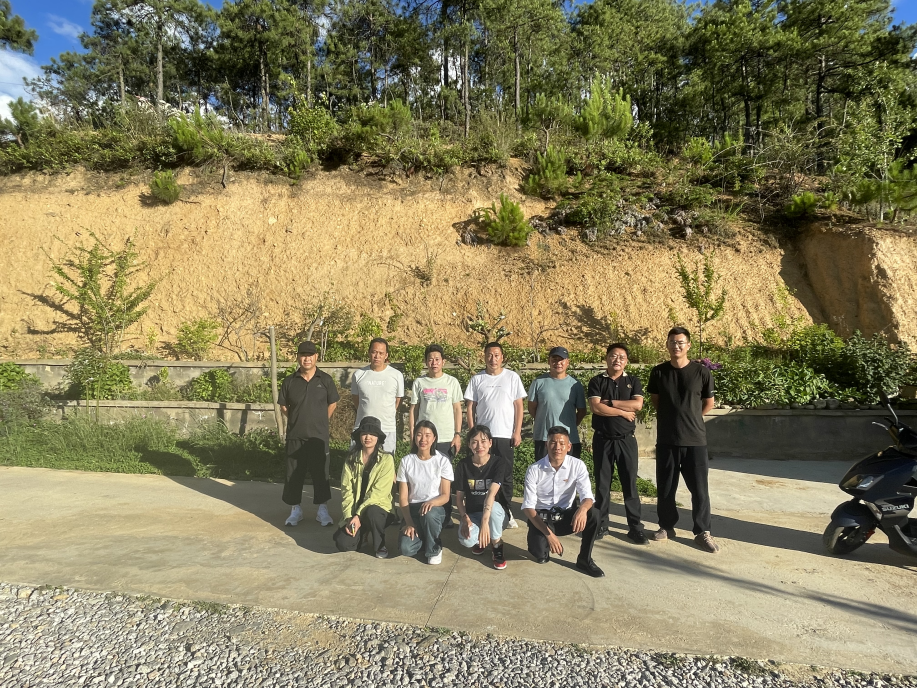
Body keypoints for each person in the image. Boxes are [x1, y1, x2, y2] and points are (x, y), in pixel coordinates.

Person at [647, 327, 719, 553]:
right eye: (672, 342)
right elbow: (656, 400)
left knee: (699, 490)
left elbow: (709, 403)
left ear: (688, 345)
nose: (676, 346)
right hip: (667, 440)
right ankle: (667, 527)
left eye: (680, 342)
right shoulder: (658, 372)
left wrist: (692, 419)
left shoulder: (701, 372)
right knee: (666, 487)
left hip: (695, 441)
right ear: (667, 345)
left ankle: (702, 531)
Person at [521, 426, 604, 577]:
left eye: (562, 443)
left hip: (566, 516)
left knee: (594, 514)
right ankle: (541, 543)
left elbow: (588, 496)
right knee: (540, 556)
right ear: (546, 444)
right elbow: (528, 508)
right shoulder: (534, 469)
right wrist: (549, 535)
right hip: (542, 518)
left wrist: (582, 510)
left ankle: (585, 559)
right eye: (553, 442)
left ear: (569, 446)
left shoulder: (577, 465)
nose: (557, 447)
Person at [587, 343, 648, 545]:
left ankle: (635, 528)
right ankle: (601, 525)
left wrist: (611, 403)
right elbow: (596, 408)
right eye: (613, 356)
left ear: (626, 361)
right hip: (603, 440)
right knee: (602, 485)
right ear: (606, 358)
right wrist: (622, 411)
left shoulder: (633, 381)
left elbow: (637, 404)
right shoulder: (597, 381)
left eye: (622, 357)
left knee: (630, 484)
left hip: (626, 441)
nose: (617, 360)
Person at [278, 341, 340, 528]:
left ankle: (322, 509)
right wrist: (297, 419)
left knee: (321, 473)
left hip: (318, 437)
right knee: (293, 474)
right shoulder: (289, 381)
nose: (307, 358)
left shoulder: (325, 380)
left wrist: (320, 420)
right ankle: (295, 509)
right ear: (298, 357)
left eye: (310, 355)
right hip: (295, 436)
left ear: (316, 357)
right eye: (303, 355)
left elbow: (332, 403)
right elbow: (283, 406)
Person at [464, 341, 526, 527]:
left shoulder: (512, 377)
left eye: (497, 355)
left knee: (505, 475)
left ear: (502, 357)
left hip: (505, 435)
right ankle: (480, 511)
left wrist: (517, 431)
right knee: (482, 475)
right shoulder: (477, 379)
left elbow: (519, 406)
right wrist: (473, 433)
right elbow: (470, 407)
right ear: (484, 357)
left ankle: (507, 512)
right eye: (489, 355)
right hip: (483, 438)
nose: (493, 359)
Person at [409, 343, 464, 528]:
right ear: (426, 362)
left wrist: (457, 434)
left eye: (437, 359)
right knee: (424, 475)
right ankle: (420, 513)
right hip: (424, 438)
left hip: (446, 437)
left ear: (443, 361)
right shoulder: (420, 382)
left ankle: (445, 516)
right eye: (430, 359)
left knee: (443, 478)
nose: (434, 362)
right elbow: (413, 410)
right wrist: (413, 434)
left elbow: (457, 409)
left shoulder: (452, 382)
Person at [334, 416, 396, 558]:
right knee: (343, 544)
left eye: (372, 434)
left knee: (373, 512)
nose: (368, 437)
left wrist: (358, 515)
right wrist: (349, 517)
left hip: (379, 510)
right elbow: (346, 491)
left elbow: (378, 494)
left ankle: (380, 544)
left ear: (378, 438)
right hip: (356, 512)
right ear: (359, 436)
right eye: (364, 433)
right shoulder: (351, 459)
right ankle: (363, 534)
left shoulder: (386, 460)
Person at [455, 425, 512, 570]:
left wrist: (485, 523)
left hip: (496, 515)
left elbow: (491, 493)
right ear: (469, 445)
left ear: (490, 443)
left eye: (483, 441)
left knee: (492, 509)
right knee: (466, 539)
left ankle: (496, 544)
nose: (479, 446)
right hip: (473, 514)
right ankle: (481, 540)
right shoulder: (463, 465)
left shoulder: (498, 463)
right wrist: (465, 518)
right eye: (474, 442)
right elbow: (459, 498)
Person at [397, 420, 454, 564]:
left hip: (436, 508)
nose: (423, 439)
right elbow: (403, 498)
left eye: (428, 435)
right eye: (419, 435)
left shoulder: (442, 461)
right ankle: (425, 536)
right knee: (406, 548)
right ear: (414, 437)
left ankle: (434, 549)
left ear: (434, 438)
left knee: (429, 514)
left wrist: (432, 503)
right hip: (413, 510)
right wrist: (409, 523)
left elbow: (446, 495)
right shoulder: (406, 461)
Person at [528, 346, 587, 460]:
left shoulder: (575, 385)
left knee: (569, 471)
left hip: (568, 439)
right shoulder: (538, 382)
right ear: (549, 361)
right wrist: (543, 420)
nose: (558, 363)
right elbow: (532, 408)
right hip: (544, 438)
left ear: (567, 362)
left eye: (561, 360)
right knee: (543, 470)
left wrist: (570, 425)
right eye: (554, 360)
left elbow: (582, 411)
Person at [351, 337, 404, 454]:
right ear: (369, 353)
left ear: (386, 355)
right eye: (374, 352)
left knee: (386, 462)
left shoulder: (396, 375)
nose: (377, 356)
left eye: (381, 353)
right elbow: (356, 400)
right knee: (358, 461)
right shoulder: (358, 375)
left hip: (387, 428)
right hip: (363, 428)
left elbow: (398, 401)